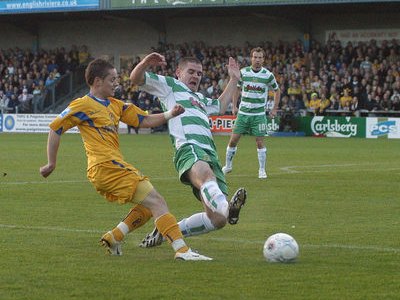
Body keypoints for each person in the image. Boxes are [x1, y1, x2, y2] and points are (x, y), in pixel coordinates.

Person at [39, 58, 211, 261]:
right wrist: (51, 163)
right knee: (157, 201)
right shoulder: (82, 105)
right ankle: (182, 250)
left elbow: (143, 120)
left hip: (113, 166)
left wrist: (170, 114)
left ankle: (114, 236)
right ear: (97, 81)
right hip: (105, 167)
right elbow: (55, 127)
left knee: (148, 206)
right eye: (112, 79)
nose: (116, 83)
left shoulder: (115, 105)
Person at [130, 53, 247, 248]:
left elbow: (220, 105)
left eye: (199, 74)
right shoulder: (171, 87)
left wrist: (234, 79)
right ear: (178, 73)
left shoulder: (200, 99)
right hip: (189, 147)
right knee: (206, 177)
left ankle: (167, 230)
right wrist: (144, 63)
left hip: (211, 155)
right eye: (191, 72)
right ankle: (230, 208)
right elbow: (135, 79)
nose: (196, 76)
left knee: (217, 219)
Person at [222, 47, 281, 179]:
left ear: (263, 59)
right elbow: (237, 89)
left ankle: (261, 170)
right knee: (233, 141)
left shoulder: (268, 75)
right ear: (251, 58)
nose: (257, 59)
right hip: (243, 114)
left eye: (260, 57)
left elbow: (277, 90)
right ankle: (228, 166)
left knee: (260, 142)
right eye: (255, 57)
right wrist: (234, 106)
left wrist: (274, 108)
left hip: (258, 115)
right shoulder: (243, 72)